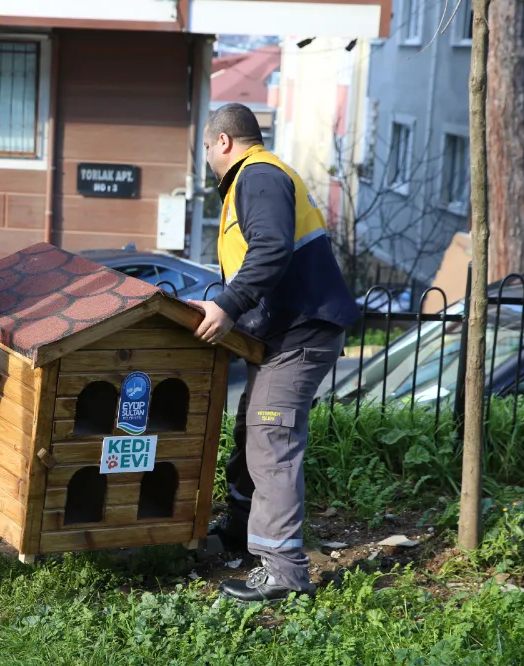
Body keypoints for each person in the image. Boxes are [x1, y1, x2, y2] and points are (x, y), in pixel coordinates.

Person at [187, 103, 360, 604]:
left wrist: (228, 305)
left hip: (301, 333)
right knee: (253, 430)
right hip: (287, 333)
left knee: (271, 438)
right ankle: (242, 533)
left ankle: (284, 572)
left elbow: (270, 249)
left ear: (222, 142)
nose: (206, 158)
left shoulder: (257, 176)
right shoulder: (260, 177)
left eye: (205, 148)